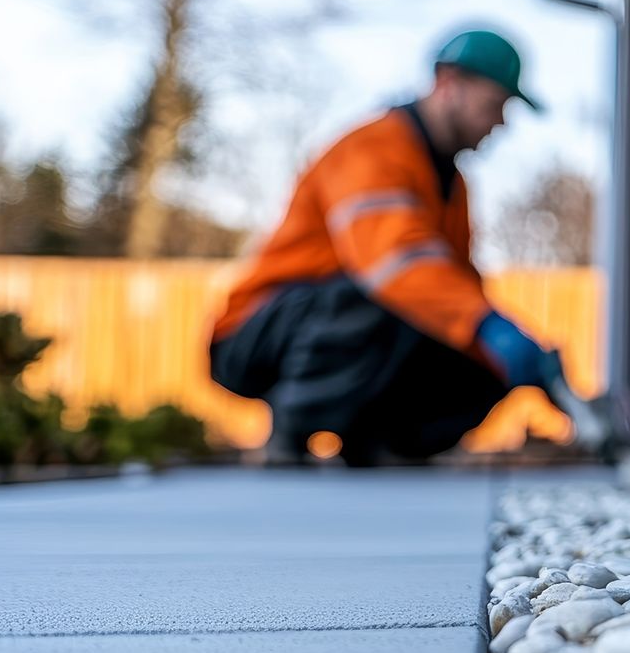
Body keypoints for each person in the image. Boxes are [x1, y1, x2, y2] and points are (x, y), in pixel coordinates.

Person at [209, 29, 567, 465]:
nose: (500, 122)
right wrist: (486, 325)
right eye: (494, 105)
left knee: (479, 359)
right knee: (386, 290)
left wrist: (514, 356)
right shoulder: (371, 148)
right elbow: (394, 263)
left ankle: (379, 443)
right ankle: (290, 432)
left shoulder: (451, 185)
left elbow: (454, 288)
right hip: (256, 334)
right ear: (449, 85)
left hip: (346, 323)